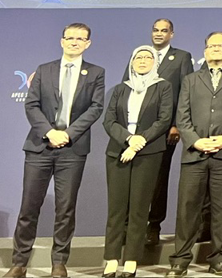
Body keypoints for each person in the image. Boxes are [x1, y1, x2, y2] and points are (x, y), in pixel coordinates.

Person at [5, 23, 105, 278]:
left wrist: (67, 134)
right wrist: (50, 132)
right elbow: (32, 105)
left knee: (65, 209)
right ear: (62, 41)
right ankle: (19, 263)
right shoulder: (44, 69)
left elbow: (95, 108)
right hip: (39, 146)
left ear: (88, 43)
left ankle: (59, 263)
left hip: (72, 149)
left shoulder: (96, 72)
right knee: (29, 207)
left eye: (80, 38)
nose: (74, 42)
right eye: (70, 38)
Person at [166, 32, 222, 278]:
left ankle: (218, 259)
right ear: (205, 51)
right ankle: (180, 260)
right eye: (211, 45)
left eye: (220, 45)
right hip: (194, 153)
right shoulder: (191, 79)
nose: (216, 49)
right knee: (187, 209)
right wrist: (195, 141)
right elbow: (182, 115)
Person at [121, 19, 194, 247]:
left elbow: (185, 92)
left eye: (164, 30)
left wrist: (176, 124)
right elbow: (125, 87)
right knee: (130, 179)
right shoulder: (140, 55)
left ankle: (154, 226)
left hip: (164, 130)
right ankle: (127, 227)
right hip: (135, 130)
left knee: (158, 180)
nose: (159, 34)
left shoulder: (181, 57)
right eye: (155, 30)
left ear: (172, 34)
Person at [103, 46, 173, 278]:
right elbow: (109, 121)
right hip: (118, 152)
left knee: (139, 208)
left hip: (148, 153)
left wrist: (139, 142)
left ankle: (131, 259)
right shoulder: (121, 88)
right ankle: (111, 259)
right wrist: (128, 139)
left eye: (148, 57)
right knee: (116, 209)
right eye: (138, 57)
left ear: (155, 62)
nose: (143, 61)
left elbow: (164, 119)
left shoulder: (163, 86)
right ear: (132, 62)